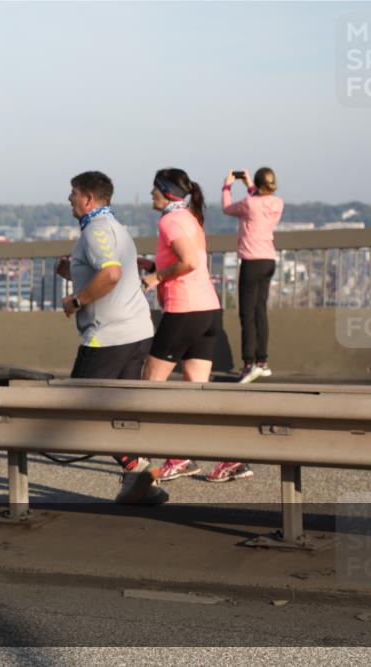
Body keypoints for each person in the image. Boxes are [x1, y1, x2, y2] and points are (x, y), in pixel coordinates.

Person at [55, 171, 165, 505]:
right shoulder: (115, 227)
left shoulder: (95, 231)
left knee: (82, 410)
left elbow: (111, 274)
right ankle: (138, 483)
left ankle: (137, 466)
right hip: (138, 333)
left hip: (108, 336)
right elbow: (113, 268)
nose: (69, 199)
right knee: (119, 412)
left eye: (73, 193)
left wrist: (76, 301)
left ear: (88, 198)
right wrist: (73, 271)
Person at [139, 168, 251, 483]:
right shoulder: (189, 217)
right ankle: (230, 458)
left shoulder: (169, 220)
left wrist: (154, 276)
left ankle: (175, 455)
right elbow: (189, 261)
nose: (151, 194)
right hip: (208, 311)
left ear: (165, 191)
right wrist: (151, 264)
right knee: (198, 393)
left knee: (150, 384)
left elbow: (189, 262)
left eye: (154, 189)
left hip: (184, 310)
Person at [222, 167, 284, 383]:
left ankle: (248, 364)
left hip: (251, 261)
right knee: (260, 312)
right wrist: (250, 184)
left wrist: (227, 186)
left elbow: (228, 208)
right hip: (269, 261)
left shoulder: (249, 203)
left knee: (246, 314)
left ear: (257, 185)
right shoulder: (277, 203)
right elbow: (259, 201)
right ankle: (262, 362)